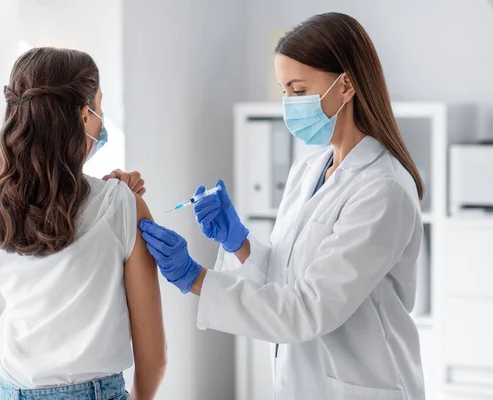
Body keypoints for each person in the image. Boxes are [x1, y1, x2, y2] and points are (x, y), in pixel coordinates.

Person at [139, 12, 426, 400]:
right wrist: (239, 243)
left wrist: (196, 278)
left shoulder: (384, 188)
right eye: (284, 91)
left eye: (298, 89)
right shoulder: (309, 169)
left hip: (363, 385)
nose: (289, 103)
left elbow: (307, 308)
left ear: (346, 86)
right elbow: (287, 278)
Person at [0, 47, 166, 400]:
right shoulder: (122, 206)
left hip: (3, 388)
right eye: (100, 108)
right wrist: (123, 198)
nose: (102, 119)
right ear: (84, 115)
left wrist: (116, 194)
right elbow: (153, 359)